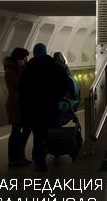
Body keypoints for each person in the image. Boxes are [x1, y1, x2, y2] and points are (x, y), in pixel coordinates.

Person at [19, 43, 73, 172]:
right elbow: (66, 82)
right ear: (45, 51)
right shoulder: (55, 65)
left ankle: (40, 161)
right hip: (51, 106)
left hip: (34, 108)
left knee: (37, 135)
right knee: (52, 131)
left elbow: (23, 89)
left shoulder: (29, 67)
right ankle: (55, 151)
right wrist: (59, 95)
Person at [4, 47, 31, 167]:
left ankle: (20, 156)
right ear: (17, 59)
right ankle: (13, 158)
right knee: (15, 131)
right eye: (23, 58)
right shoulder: (10, 71)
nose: (25, 60)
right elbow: (16, 87)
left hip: (22, 105)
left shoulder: (21, 68)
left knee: (25, 129)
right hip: (15, 106)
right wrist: (22, 70)